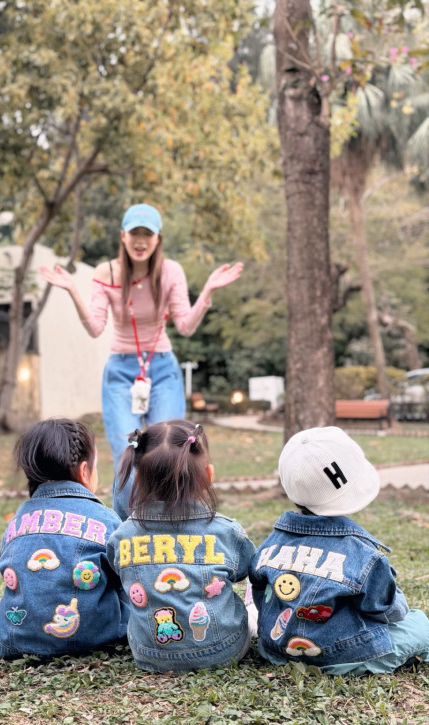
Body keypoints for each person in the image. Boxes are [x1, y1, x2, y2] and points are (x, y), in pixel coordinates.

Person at [39, 203, 243, 468]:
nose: (140, 241)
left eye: (148, 234)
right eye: (134, 233)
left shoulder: (171, 272)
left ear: (158, 239)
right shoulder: (107, 272)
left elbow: (186, 327)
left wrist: (207, 291)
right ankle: (128, 511)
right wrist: (72, 291)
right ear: (123, 236)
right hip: (121, 371)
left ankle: (170, 510)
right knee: (127, 452)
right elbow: (95, 328)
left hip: (161, 368)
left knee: (170, 449)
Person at [249, 426, 429, 674]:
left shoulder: (270, 544)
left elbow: (261, 594)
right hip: (339, 656)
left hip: (276, 650)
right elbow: (392, 613)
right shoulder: (364, 555)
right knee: (419, 626)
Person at [106, 420, 256, 673]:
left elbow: (116, 570)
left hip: (148, 653)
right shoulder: (226, 532)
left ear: (139, 480)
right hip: (223, 649)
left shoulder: (123, 536)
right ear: (208, 476)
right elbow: (244, 570)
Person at [0, 418, 129, 659]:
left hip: (16, 640)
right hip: (94, 638)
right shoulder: (106, 520)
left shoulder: (17, 521)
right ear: (83, 471)